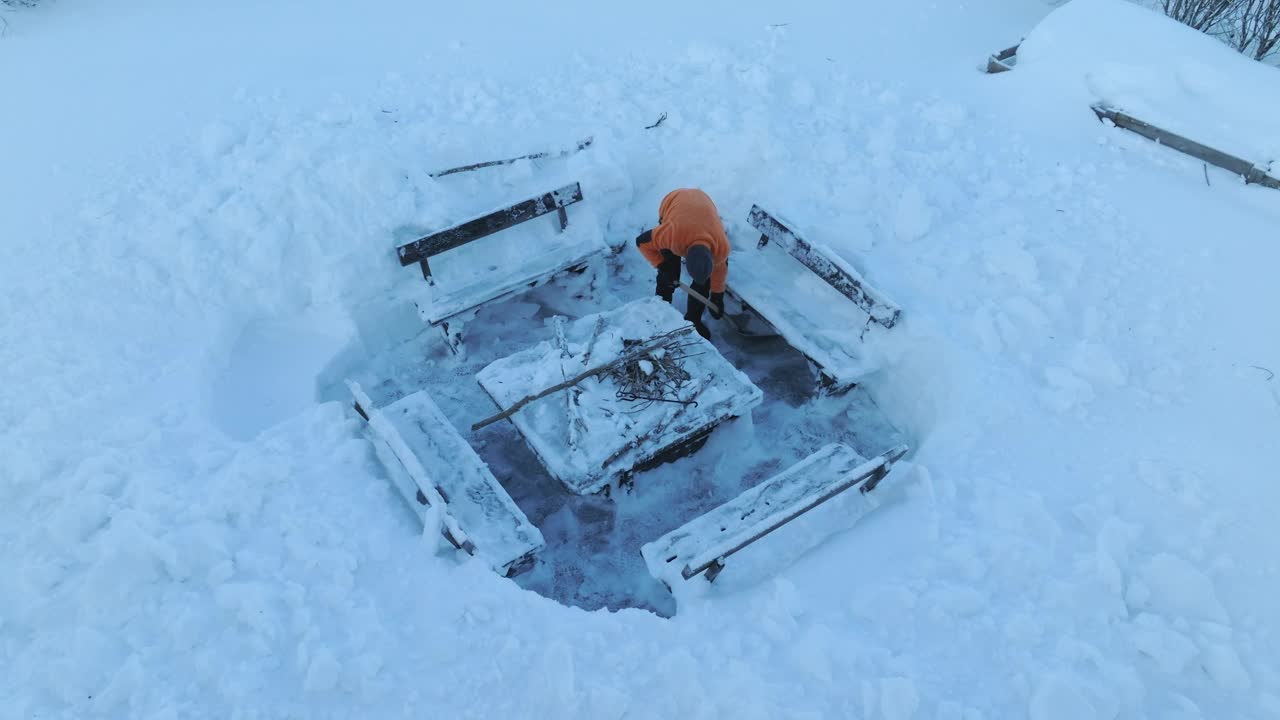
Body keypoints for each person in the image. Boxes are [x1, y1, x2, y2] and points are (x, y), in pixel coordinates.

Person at [633, 188, 730, 340]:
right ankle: (661, 310)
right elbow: (641, 243)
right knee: (669, 269)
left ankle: (693, 320)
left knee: (703, 285)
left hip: (703, 202)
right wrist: (662, 266)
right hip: (674, 201)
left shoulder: (721, 247)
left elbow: (720, 271)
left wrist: (717, 296)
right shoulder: (671, 234)